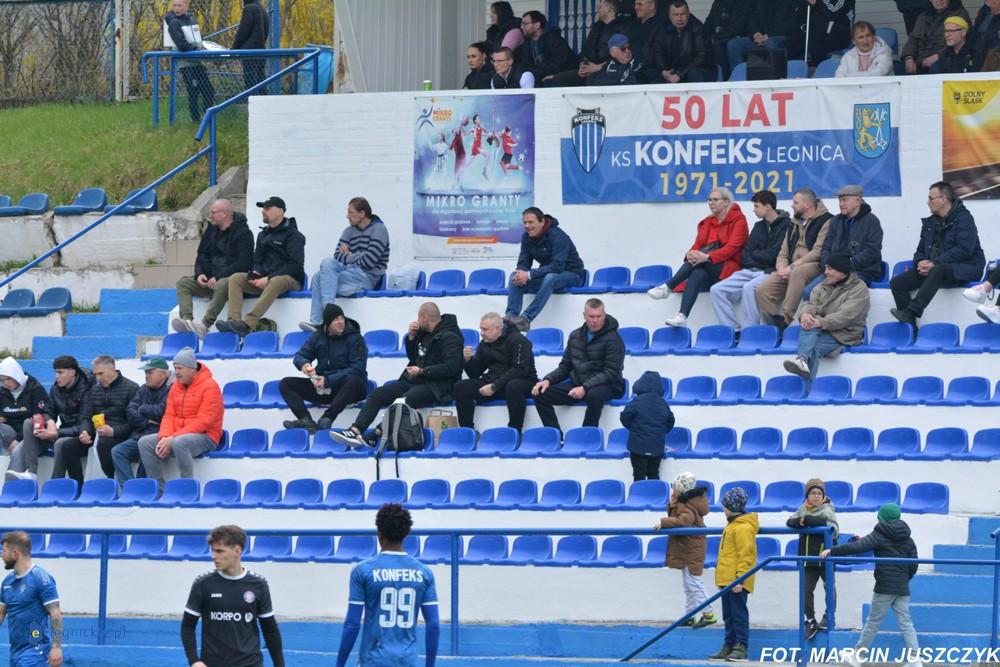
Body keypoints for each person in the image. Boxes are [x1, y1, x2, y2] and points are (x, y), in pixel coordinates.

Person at [330, 303, 463, 449]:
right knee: (378, 394)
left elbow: (453, 368)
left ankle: (376, 433)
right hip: (414, 380)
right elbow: (414, 356)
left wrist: (422, 371)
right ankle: (355, 430)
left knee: (401, 402)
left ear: (425, 317)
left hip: (437, 386)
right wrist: (412, 338)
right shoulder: (424, 334)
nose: (417, 321)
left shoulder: (451, 337)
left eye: (419, 317)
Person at [334, 504, 439, 667]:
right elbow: (433, 625)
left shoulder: (363, 570)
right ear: (406, 533)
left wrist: (339, 664)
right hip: (407, 661)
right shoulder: (424, 573)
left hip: (373, 660)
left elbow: (352, 624)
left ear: (379, 533)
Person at [820, 503, 922, 667]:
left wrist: (832, 551)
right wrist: (903, 579)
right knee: (906, 622)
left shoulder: (880, 533)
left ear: (882, 518)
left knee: (873, 622)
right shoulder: (908, 538)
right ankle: (915, 659)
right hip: (902, 586)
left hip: (885, 586)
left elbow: (858, 546)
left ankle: (857, 656)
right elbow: (914, 564)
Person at [182, 525, 284, 667]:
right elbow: (187, 626)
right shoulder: (203, 584)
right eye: (212, 551)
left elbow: (270, 629)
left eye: (219, 551)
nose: (213, 556)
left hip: (250, 664)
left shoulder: (258, 584)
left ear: (237, 551)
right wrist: (194, 660)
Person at [648, 187, 749, 328]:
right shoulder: (707, 222)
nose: (711, 203)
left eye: (715, 200)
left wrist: (707, 257)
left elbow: (732, 248)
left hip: (730, 269)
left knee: (700, 263)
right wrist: (690, 254)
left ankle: (668, 286)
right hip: (708, 268)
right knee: (697, 272)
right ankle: (682, 315)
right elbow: (697, 245)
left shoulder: (739, 220)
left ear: (726, 202)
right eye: (709, 200)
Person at [890, 181, 984, 327]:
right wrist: (920, 262)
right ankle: (910, 327)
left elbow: (965, 249)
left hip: (966, 268)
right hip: (936, 269)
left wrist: (935, 263)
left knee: (939, 270)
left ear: (944, 199)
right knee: (897, 283)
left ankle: (911, 312)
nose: (928, 203)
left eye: (931, 198)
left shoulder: (964, 218)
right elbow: (920, 250)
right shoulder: (929, 223)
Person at [532, 298, 625, 437]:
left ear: (604, 315)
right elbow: (565, 366)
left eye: (598, 316)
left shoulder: (614, 339)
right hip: (579, 384)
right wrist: (547, 380)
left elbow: (611, 372)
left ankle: (586, 436)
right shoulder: (575, 335)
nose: (595, 320)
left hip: (608, 385)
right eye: (591, 316)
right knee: (540, 393)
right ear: (584, 315)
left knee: (594, 395)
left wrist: (585, 388)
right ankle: (555, 435)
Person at [138, 348, 223, 493]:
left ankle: (187, 487)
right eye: (175, 368)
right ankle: (158, 490)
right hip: (177, 435)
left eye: (180, 368)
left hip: (207, 436)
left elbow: (204, 421)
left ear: (192, 369)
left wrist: (173, 438)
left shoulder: (210, 386)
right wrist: (165, 437)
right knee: (144, 442)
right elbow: (168, 415)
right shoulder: (175, 387)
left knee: (179, 443)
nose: (176, 372)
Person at [219, 196, 306, 337]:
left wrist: (269, 278)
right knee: (236, 278)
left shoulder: (294, 236)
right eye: (262, 208)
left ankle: (247, 323)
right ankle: (234, 322)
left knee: (276, 281)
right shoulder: (262, 235)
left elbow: (295, 266)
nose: (263, 211)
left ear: (280, 211)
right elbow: (257, 260)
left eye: (267, 208)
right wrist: (256, 274)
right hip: (266, 280)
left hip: (290, 280)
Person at [301, 197, 389, 332]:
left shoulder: (379, 229)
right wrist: (358, 256)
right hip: (347, 272)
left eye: (351, 212)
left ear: (362, 213)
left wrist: (348, 256)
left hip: (366, 277)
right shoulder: (348, 231)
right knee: (324, 266)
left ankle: (325, 318)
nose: (347, 216)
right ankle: (320, 321)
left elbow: (370, 261)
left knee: (320, 279)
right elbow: (337, 256)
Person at [784, 252, 870, 387]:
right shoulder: (822, 286)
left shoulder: (859, 289)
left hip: (844, 333)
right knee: (807, 323)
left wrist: (819, 322)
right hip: (822, 329)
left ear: (842, 271)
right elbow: (810, 304)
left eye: (830, 269)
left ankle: (806, 383)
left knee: (811, 345)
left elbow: (845, 316)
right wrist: (805, 314)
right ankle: (803, 365)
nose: (826, 272)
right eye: (826, 268)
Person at [708, 190, 789, 332]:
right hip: (749, 270)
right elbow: (745, 254)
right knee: (716, 290)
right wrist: (758, 256)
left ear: (768, 206)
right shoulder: (759, 226)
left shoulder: (787, 225)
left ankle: (751, 331)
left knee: (749, 288)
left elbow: (774, 255)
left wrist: (756, 255)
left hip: (769, 271)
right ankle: (734, 331)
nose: (754, 210)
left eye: (757, 206)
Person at [173, 199, 254, 337]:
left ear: (224, 214)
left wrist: (218, 277)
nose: (210, 216)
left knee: (222, 283)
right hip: (210, 281)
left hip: (230, 284)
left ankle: (204, 325)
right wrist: (200, 273)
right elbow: (202, 254)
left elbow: (244, 263)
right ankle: (187, 321)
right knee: (183, 283)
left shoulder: (243, 233)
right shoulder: (211, 230)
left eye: (213, 213)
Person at [281, 304, 368, 433]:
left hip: (350, 390)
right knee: (286, 383)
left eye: (341, 318)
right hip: (325, 389)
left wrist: (328, 380)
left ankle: (327, 418)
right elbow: (300, 355)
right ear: (327, 322)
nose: (340, 322)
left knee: (353, 379)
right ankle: (305, 420)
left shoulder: (356, 338)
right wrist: (305, 365)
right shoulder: (318, 336)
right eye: (335, 319)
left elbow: (358, 368)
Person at [756, 188, 832, 329]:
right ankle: (773, 330)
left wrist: (792, 267)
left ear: (807, 204)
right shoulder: (794, 222)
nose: (792, 205)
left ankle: (784, 320)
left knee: (798, 272)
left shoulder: (826, 220)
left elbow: (817, 252)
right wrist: (781, 269)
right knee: (762, 289)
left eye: (795, 202)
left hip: (814, 266)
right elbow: (783, 252)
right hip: (791, 268)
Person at [504, 207, 586, 332]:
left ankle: (526, 319)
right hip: (549, 274)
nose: (527, 226)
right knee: (514, 276)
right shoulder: (527, 237)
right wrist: (521, 273)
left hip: (573, 275)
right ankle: (511, 316)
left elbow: (557, 266)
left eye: (531, 222)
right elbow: (524, 262)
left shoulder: (558, 235)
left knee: (550, 277)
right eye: (525, 222)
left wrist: (529, 275)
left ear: (542, 221)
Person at [653, 472, 716, 628]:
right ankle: (689, 615)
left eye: (674, 488)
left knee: (694, 582)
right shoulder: (686, 501)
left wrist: (663, 522)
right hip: (688, 548)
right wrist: (673, 504)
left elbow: (683, 521)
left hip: (691, 549)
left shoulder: (687, 504)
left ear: (681, 489)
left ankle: (708, 613)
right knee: (688, 585)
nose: (672, 491)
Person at [455, 312, 537, 432]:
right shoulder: (485, 343)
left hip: (523, 382)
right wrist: (466, 360)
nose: (482, 333)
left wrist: (494, 386)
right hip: (494, 383)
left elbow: (519, 370)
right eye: (481, 329)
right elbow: (475, 373)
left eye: (485, 329)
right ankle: (467, 430)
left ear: (498, 328)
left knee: (513, 386)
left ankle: (515, 430)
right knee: (461, 386)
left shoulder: (519, 340)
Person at [803, 184, 883, 301]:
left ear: (857, 201)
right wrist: (829, 265)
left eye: (844, 200)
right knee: (807, 292)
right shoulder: (836, 221)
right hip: (834, 270)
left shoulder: (872, 221)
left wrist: (847, 265)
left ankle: (826, 319)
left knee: (835, 296)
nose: (841, 204)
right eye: (839, 200)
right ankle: (813, 319)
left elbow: (873, 252)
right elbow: (826, 247)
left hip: (861, 271)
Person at [785, 478, 839, 640]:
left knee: (829, 586)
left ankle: (829, 615)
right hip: (808, 559)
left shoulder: (827, 509)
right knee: (806, 590)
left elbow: (833, 529)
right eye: (813, 493)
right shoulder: (803, 508)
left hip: (825, 556)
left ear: (823, 496)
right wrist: (802, 520)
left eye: (819, 493)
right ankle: (810, 620)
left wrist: (807, 521)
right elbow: (790, 522)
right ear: (807, 496)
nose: (816, 496)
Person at [708, 486, 758, 662]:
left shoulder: (742, 528)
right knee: (728, 616)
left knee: (738, 615)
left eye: (725, 506)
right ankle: (729, 645)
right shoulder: (731, 526)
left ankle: (741, 647)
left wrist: (741, 579)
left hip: (736, 582)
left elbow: (747, 556)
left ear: (733, 507)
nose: (723, 509)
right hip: (726, 579)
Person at [0, 531, 62, 667]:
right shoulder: (7, 582)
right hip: (15, 653)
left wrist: (56, 646)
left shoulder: (42, 579)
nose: (1, 555)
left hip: (36, 652)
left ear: (15, 553)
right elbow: (1, 613)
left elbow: (55, 613)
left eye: (4, 551)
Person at [112, 356, 172, 486]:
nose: (146, 376)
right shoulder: (143, 388)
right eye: (145, 373)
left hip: (156, 435)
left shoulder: (171, 389)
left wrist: (143, 408)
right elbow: (129, 411)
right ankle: (129, 488)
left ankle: (140, 488)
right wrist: (147, 421)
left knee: (145, 447)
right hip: (139, 433)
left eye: (150, 372)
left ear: (163, 374)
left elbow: (162, 411)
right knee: (117, 451)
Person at [78, 355, 139, 482]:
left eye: (101, 374)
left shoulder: (131, 388)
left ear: (113, 370)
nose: (98, 378)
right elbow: (85, 415)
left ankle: (110, 480)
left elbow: (135, 423)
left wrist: (114, 431)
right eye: (95, 374)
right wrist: (84, 431)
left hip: (122, 434)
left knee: (105, 444)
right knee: (65, 445)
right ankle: (77, 487)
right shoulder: (94, 390)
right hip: (97, 433)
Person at [549, 0, 635, 87]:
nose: (598, 10)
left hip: (609, 69)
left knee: (593, 78)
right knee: (559, 79)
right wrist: (583, 65)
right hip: (589, 67)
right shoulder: (597, 27)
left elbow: (623, 54)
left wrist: (598, 67)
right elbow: (586, 49)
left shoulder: (622, 26)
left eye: (600, 7)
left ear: (609, 9)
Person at [0, 357, 53, 483]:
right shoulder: (2, 392)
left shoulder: (35, 389)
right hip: (10, 436)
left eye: (8, 378)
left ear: (17, 375)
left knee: (18, 451)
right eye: (2, 380)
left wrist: (17, 441)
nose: (6, 383)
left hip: (32, 437)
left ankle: (11, 490)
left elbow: (40, 417)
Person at [165, 0, 215, 122]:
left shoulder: (192, 19)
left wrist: (204, 47)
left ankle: (207, 116)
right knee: (193, 90)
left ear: (187, 6)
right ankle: (196, 120)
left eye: (180, 5)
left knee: (208, 90)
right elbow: (181, 44)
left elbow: (199, 37)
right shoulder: (174, 23)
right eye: (174, 5)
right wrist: (196, 50)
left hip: (197, 61)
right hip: (186, 63)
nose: (177, 8)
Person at [620, 370, 674, 481]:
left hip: (637, 446)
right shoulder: (663, 403)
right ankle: (654, 496)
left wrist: (633, 428)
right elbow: (670, 421)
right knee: (653, 474)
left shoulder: (637, 401)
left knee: (639, 475)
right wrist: (660, 431)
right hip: (656, 446)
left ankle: (639, 496)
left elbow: (625, 416)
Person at [648, 1, 714, 84]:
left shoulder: (698, 28)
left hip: (693, 70)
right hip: (673, 70)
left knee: (694, 73)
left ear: (688, 14)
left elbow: (702, 57)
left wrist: (680, 74)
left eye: (682, 14)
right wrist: (664, 71)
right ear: (669, 16)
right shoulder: (662, 29)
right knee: (650, 73)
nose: (679, 18)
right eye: (676, 15)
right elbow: (658, 52)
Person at [726, 0, 800, 72]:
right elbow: (753, 20)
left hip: (784, 37)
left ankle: (767, 77)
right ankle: (740, 78)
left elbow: (791, 25)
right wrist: (755, 33)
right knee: (734, 44)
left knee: (771, 42)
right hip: (761, 38)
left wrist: (768, 36)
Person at [901, 0, 971, 73]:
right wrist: (909, 58)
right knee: (900, 68)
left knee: (936, 68)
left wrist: (937, 57)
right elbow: (913, 39)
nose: (939, 1)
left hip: (946, 58)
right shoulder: (923, 16)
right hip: (920, 60)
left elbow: (957, 42)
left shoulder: (960, 14)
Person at [516, 11, 577, 85]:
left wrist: (552, 75)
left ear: (537, 25)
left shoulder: (553, 39)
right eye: (521, 24)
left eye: (525, 24)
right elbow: (525, 64)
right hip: (540, 75)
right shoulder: (528, 42)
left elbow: (560, 62)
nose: (521, 27)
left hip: (559, 75)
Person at [791, 0, 855, 65]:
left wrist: (816, 2)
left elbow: (832, 11)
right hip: (817, 34)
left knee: (813, 44)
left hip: (840, 36)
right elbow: (802, 12)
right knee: (789, 44)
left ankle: (821, 67)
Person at [703, 0, 751, 78]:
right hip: (719, 39)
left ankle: (731, 79)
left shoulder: (743, 3)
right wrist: (704, 36)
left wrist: (716, 37)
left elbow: (739, 27)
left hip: (736, 38)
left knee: (722, 45)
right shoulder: (717, 3)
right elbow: (709, 23)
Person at [232, 0, 269, 91]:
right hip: (260, 50)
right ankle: (262, 101)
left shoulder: (249, 8)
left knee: (250, 81)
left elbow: (243, 31)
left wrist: (233, 49)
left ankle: (251, 101)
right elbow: (266, 30)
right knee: (260, 79)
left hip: (249, 52)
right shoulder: (261, 8)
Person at [628, 0, 666, 72]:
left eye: (640, 4)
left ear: (652, 5)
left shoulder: (661, 25)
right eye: (635, 4)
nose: (636, 7)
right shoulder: (633, 25)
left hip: (650, 70)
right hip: (629, 67)